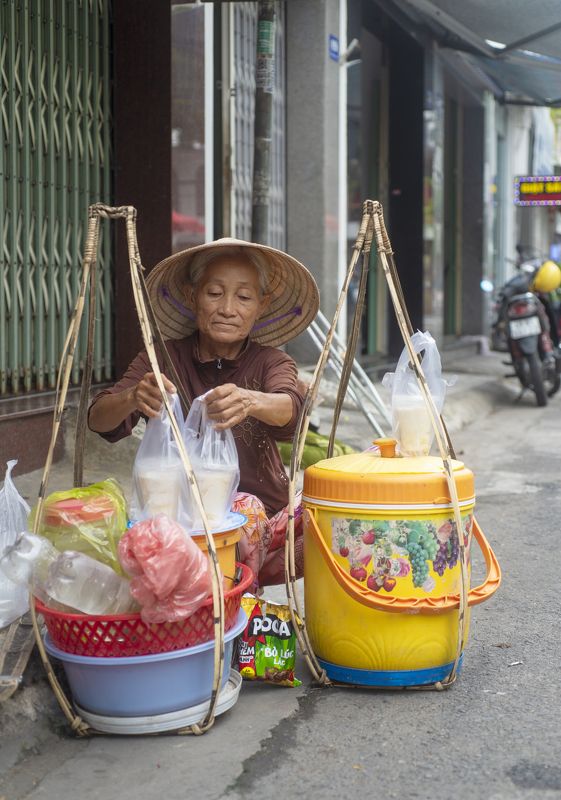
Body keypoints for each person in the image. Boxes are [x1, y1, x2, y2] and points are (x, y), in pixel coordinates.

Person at [88, 238, 320, 590]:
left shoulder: (271, 361)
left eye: (243, 297)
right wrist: (134, 397)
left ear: (262, 305)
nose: (228, 308)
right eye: (214, 293)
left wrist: (250, 400)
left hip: (263, 528)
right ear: (192, 295)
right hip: (181, 526)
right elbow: (98, 419)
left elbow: (291, 408)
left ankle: (240, 589)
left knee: (329, 512)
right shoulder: (165, 357)